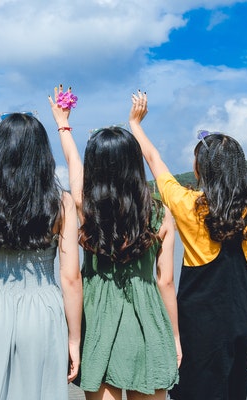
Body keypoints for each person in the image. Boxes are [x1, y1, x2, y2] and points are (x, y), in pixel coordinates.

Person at [127, 91, 247, 400]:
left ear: (200, 170)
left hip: (196, 325)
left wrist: (135, 124)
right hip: (242, 319)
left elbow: (155, 160)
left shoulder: (187, 204)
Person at [0, 54, 83, 399]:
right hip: (43, 308)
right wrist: (74, 338)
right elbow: (71, 278)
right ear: (42, 154)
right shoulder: (61, 203)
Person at [50, 86, 180, 400]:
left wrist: (63, 124)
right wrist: (174, 336)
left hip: (97, 321)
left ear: (94, 166)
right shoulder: (160, 213)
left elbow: (72, 161)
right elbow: (166, 282)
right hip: (147, 320)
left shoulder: (85, 207)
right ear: (135, 164)